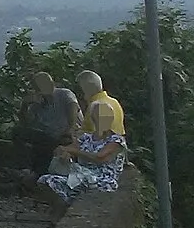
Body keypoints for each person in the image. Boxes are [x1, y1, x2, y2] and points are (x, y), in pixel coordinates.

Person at [38, 70, 126, 204]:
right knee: (47, 179)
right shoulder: (113, 103)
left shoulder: (98, 111)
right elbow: (77, 141)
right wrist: (65, 150)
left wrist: (73, 150)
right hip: (84, 170)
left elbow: (100, 155)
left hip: (99, 176)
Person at [18, 70, 82, 178]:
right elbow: (25, 123)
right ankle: (28, 170)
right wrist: (25, 105)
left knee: (46, 146)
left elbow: (73, 108)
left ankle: (36, 174)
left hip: (66, 135)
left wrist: (70, 129)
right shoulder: (37, 105)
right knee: (20, 133)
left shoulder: (64, 94)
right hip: (48, 136)